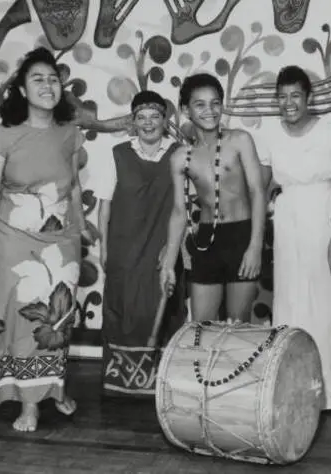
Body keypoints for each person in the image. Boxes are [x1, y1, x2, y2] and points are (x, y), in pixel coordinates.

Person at [0, 47, 91, 432]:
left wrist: (82, 228)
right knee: (17, 323)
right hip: (10, 241)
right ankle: (28, 405)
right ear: (20, 88)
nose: (48, 85)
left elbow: (72, 188)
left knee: (55, 321)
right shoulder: (2, 136)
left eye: (53, 79)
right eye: (38, 79)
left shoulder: (70, 134)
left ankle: (53, 390)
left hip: (60, 243)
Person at [256, 65, 331, 411]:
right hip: (287, 221)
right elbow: (263, 186)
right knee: (291, 297)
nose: (288, 103)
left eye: (295, 95)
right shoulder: (269, 134)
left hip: (326, 216)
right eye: (282, 97)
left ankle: (329, 388)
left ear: (308, 97)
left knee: (326, 301)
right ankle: (292, 382)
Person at [95, 90, 187, 398]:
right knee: (124, 307)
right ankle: (122, 380)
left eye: (155, 117)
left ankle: (162, 380)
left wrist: (174, 248)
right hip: (124, 245)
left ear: (165, 120)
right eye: (141, 118)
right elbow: (104, 206)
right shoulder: (117, 152)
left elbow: (183, 207)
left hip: (162, 245)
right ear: (133, 122)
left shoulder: (179, 152)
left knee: (161, 305)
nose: (148, 124)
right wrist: (104, 248)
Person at [159, 73, 266, 323]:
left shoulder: (239, 140)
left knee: (237, 325)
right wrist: (169, 264)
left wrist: (255, 247)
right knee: (201, 326)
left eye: (215, 103)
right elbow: (178, 211)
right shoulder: (180, 157)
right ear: (186, 110)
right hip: (205, 241)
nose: (210, 110)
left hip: (242, 237)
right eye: (200, 104)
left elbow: (257, 191)